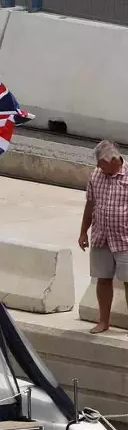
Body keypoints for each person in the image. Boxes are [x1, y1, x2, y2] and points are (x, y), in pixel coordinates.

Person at [78, 140, 128, 334]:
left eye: (102, 164)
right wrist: (83, 231)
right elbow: (90, 206)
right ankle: (103, 322)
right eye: (98, 164)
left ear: (115, 160)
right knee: (103, 279)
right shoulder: (96, 176)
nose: (98, 167)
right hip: (101, 236)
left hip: (124, 239)